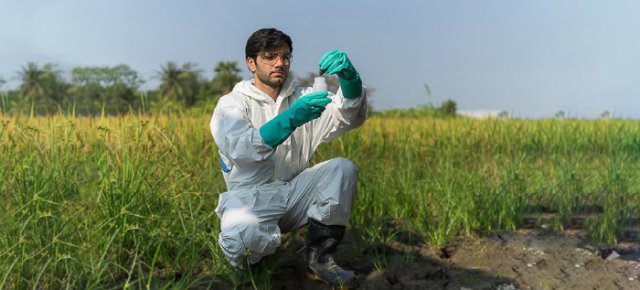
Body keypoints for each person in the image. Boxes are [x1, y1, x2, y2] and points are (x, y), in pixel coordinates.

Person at [210, 28, 367, 289]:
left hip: (295, 193)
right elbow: (242, 150)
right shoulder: (232, 104)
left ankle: (320, 260)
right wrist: (291, 118)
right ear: (252, 63)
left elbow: (346, 115)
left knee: (342, 168)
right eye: (270, 56)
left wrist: (350, 78)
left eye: (285, 56)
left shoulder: (304, 97)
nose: (280, 63)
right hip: (251, 200)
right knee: (242, 240)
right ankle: (254, 268)